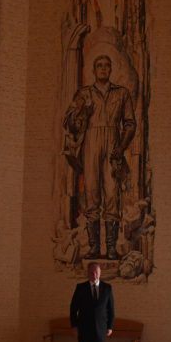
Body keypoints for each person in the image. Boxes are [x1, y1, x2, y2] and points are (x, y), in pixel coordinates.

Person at [63, 54, 136, 260]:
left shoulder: (121, 94)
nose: (103, 69)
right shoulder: (84, 93)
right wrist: (80, 112)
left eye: (106, 65)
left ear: (111, 69)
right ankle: (95, 247)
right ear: (94, 71)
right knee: (92, 193)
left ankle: (111, 248)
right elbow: (68, 122)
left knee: (112, 195)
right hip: (90, 145)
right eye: (99, 66)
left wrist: (120, 147)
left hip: (113, 144)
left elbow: (130, 123)